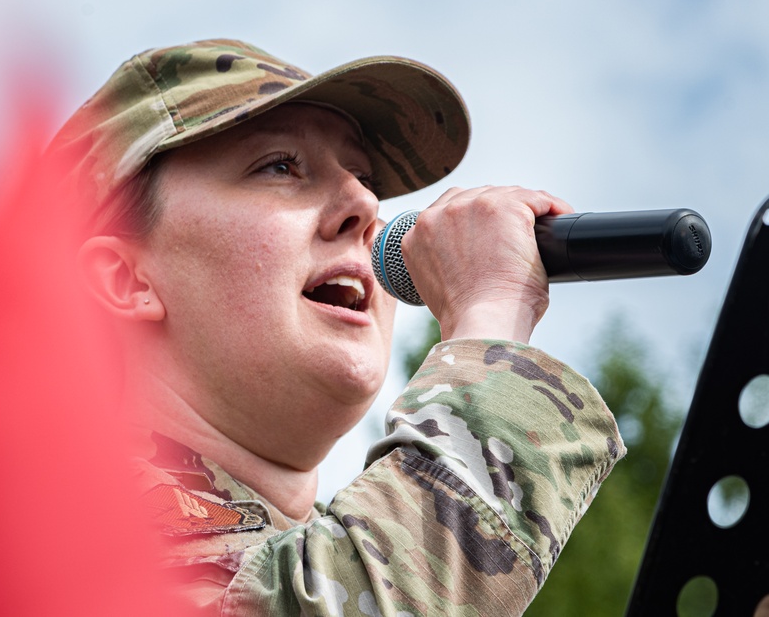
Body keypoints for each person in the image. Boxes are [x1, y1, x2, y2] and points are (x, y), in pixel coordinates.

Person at [47, 39, 626, 616]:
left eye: (364, 176)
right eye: (279, 166)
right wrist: (490, 316)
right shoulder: (50, 539)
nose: (365, 203)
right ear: (126, 280)